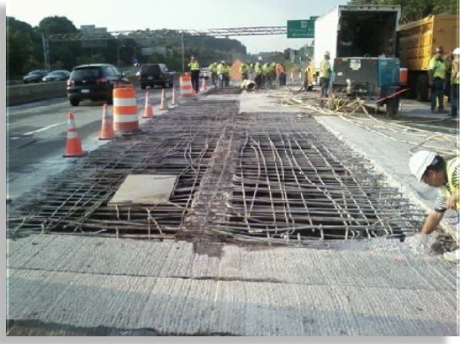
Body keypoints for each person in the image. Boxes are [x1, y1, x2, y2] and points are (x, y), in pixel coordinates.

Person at [408, 150, 459, 262]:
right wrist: (423, 236)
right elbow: (436, 214)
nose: (425, 183)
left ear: (431, 173)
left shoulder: (456, 168)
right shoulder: (444, 188)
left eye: (424, 179)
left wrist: (455, 196)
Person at [428, 47, 447, 113]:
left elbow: (444, 70)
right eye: (438, 52)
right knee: (434, 94)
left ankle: (440, 108)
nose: (440, 54)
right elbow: (430, 70)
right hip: (435, 79)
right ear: (436, 53)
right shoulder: (434, 60)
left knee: (441, 94)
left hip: (441, 80)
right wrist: (430, 80)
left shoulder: (442, 61)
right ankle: (433, 108)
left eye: (441, 52)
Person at [450, 48, 460, 117]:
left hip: (456, 82)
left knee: (454, 98)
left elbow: (456, 71)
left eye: (454, 55)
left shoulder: (455, 61)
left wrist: (452, 79)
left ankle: (453, 113)